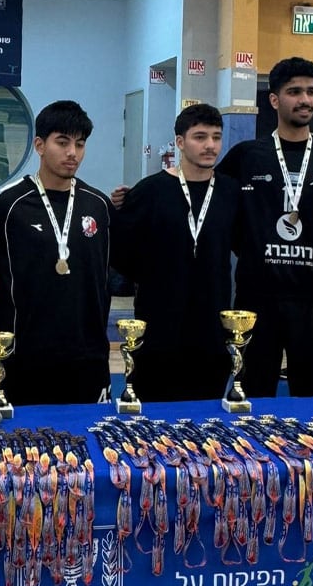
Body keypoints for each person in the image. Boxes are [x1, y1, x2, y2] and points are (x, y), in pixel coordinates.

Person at [216, 56, 313, 401]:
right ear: (274, 99)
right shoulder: (246, 157)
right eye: (294, 91)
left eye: (311, 92)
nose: (305, 99)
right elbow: (211, 204)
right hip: (257, 302)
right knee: (252, 404)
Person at [0, 100, 112, 405]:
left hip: (88, 357)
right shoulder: (7, 206)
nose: (72, 153)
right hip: (26, 358)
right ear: (40, 145)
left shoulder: (99, 205)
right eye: (62, 142)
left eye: (80, 144)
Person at [111, 103, 238, 401]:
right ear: (180, 142)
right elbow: (120, 252)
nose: (210, 145)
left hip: (211, 328)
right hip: (158, 327)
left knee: (206, 415)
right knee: (153, 416)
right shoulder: (149, 191)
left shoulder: (231, 192)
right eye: (200, 137)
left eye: (216, 137)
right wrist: (155, 276)